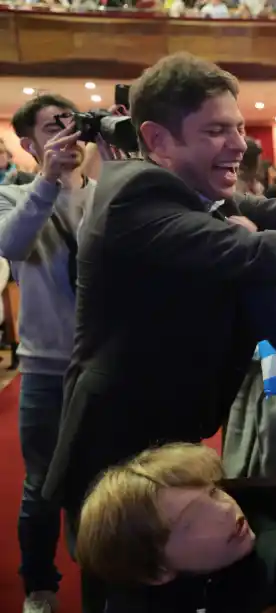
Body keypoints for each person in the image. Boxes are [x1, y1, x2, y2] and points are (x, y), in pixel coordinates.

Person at [42, 53, 276, 612]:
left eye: (239, 126)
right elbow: (255, 249)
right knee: (127, 586)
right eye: (216, 130)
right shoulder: (135, 195)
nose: (238, 143)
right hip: (118, 445)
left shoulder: (195, 193)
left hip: (167, 429)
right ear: (158, 139)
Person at [0, 93, 121, 613]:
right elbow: (11, 244)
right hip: (46, 368)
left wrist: (125, 174)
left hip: (108, 362)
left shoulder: (108, 192)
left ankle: (110, 577)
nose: (68, 135)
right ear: (29, 144)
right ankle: (40, 587)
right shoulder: (13, 195)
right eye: (54, 128)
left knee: (110, 480)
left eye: (73, 124)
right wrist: (47, 182)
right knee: (40, 487)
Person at [76, 443, 276, 613]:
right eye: (192, 520)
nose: (225, 510)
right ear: (157, 572)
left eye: (213, 493)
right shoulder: (133, 600)